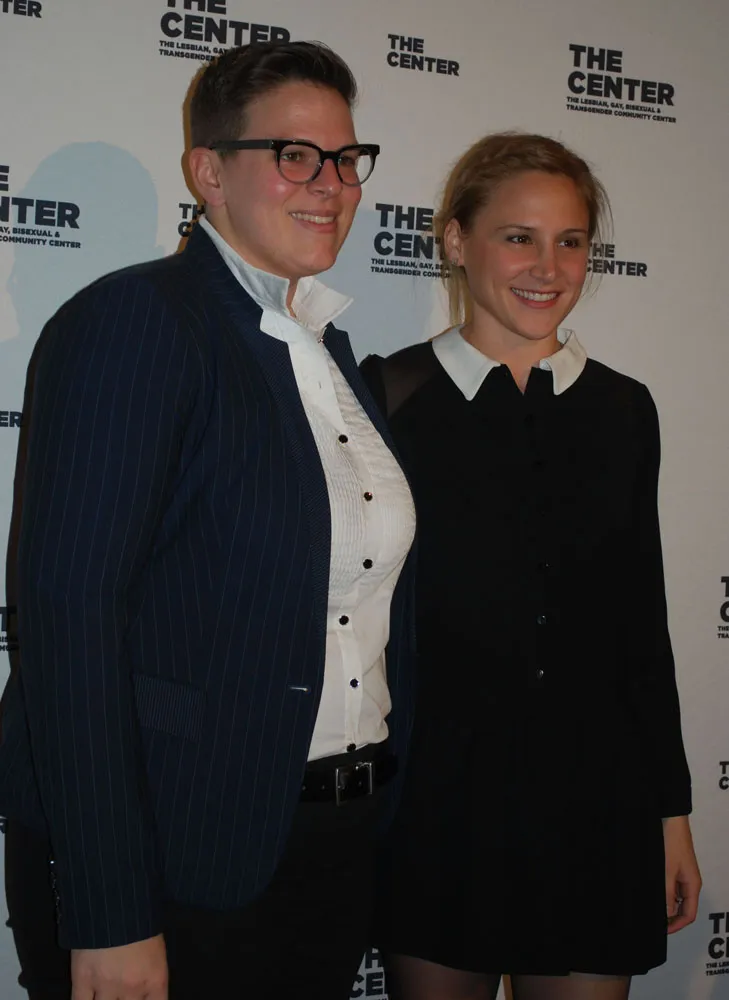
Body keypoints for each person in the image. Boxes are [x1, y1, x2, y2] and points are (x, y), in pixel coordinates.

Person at [0, 41, 416, 1000]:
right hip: (172, 846)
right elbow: (70, 619)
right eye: (294, 155)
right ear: (208, 172)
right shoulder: (138, 321)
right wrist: (109, 908)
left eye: (346, 158)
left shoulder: (329, 350)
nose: (331, 184)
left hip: (328, 841)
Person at [360, 132, 701, 1000]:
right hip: (438, 803)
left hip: (598, 804)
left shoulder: (624, 409)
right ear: (455, 240)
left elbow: (640, 625)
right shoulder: (387, 396)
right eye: (518, 237)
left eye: (570, 241)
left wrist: (670, 813)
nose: (548, 267)